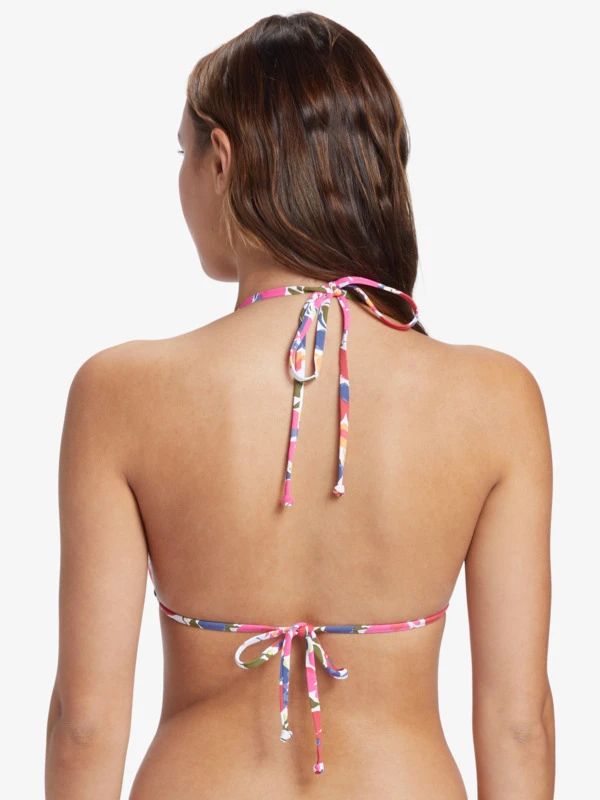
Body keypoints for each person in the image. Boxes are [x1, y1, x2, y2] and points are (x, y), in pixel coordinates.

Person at [45, 11, 555, 799]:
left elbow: (85, 721)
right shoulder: (496, 398)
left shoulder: (120, 392)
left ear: (221, 160)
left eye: (183, 153)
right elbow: (518, 724)